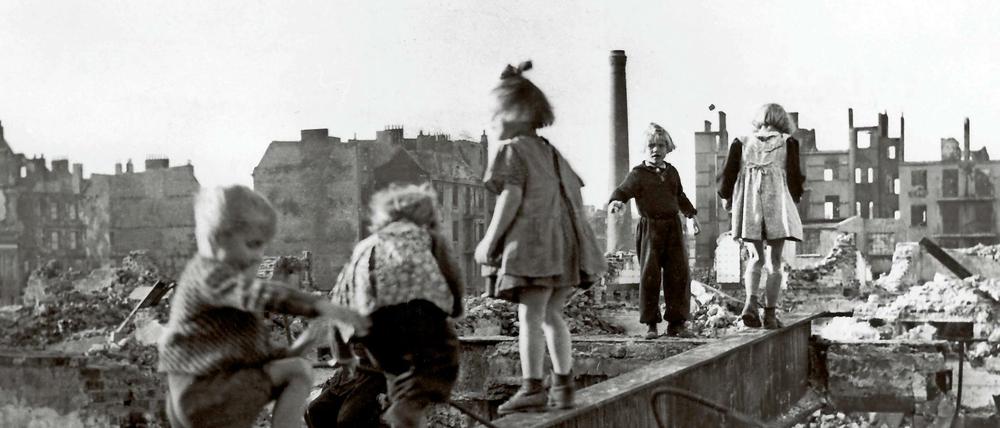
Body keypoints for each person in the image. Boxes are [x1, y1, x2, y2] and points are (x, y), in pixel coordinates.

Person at [158, 185, 369, 428]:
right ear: (217, 239)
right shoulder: (210, 276)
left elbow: (256, 357)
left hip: (194, 395)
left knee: (294, 367)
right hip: (205, 393)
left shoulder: (222, 292)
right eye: (252, 244)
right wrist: (319, 305)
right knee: (298, 372)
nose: (259, 255)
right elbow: (263, 293)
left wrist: (303, 344)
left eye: (262, 247)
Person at [474, 61, 606, 414]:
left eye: (495, 114)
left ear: (514, 113)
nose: (491, 121)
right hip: (566, 248)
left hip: (536, 247)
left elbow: (510, 197)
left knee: (529, 316)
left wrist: (489, 241)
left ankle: (532, 387)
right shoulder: (549, 151)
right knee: (551, 314)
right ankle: (564, 386)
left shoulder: (513, 150)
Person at [327, 183, 464, 428]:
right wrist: (455, 308)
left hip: (371, 324)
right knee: (443, 359)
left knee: (396, 372)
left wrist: (342, 353)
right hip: (417, 310)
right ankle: (405, 409)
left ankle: (402, 413)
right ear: (428, 216)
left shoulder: (365, 245)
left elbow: (339, 297)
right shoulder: (427, 237)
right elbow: (451, 275)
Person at [608, 123, 700, 339]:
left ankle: (676, 324)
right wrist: (616, 202)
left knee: (678, 274)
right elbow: (622, 191)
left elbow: (680, 196)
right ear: (644, 148)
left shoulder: (672, 172)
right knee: (650, 275)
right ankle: (651, 324)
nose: (655, 150)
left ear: (668, 148)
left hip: (673, 227)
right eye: (651, 145)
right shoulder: (638, 174)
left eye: (660, 145)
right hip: (650, 228)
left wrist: (691, 215)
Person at [717, 103, 804, 329]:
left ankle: (750, 305)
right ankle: (771, 315)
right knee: (775, 261)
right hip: (777, 206)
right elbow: (795, 177)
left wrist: (726, 196)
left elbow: (727, 175)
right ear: (782, 121)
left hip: (750, 206)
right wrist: (796, 197)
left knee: (755, 258)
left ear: (759, 120)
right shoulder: (789, 143)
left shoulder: (741, 142)